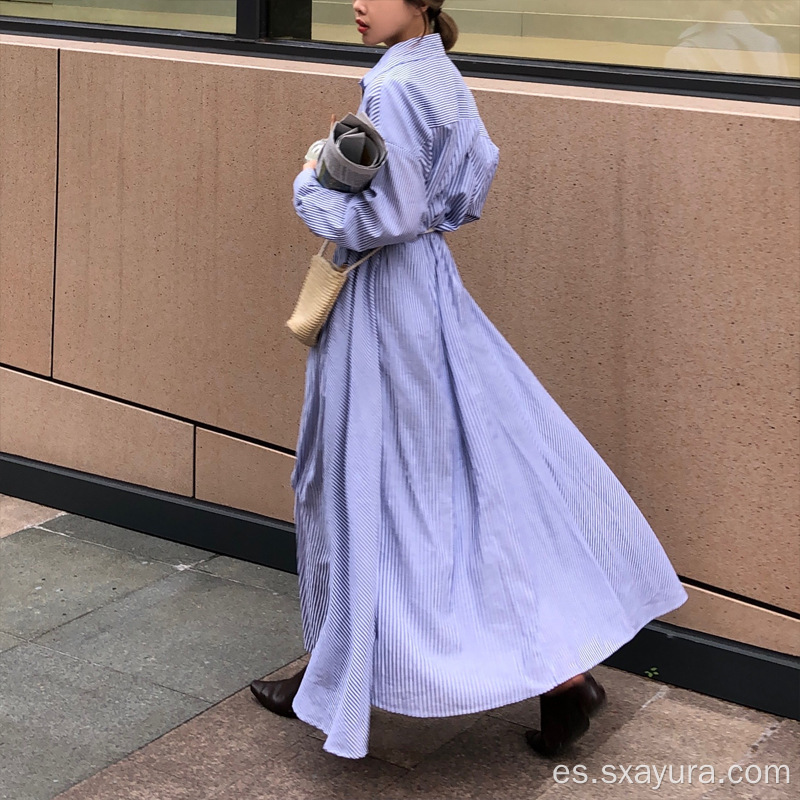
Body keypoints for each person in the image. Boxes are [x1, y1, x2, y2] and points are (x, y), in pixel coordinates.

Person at [250, 0, 687, 761]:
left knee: (361, 484)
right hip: (428, 291)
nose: (356, 2)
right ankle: (551, 681)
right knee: (450, 478)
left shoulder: (394, 88)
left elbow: (374, 221)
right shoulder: (441, 74)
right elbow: (467, 186)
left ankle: (351, 677)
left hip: (384, 301)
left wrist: (307, 182)